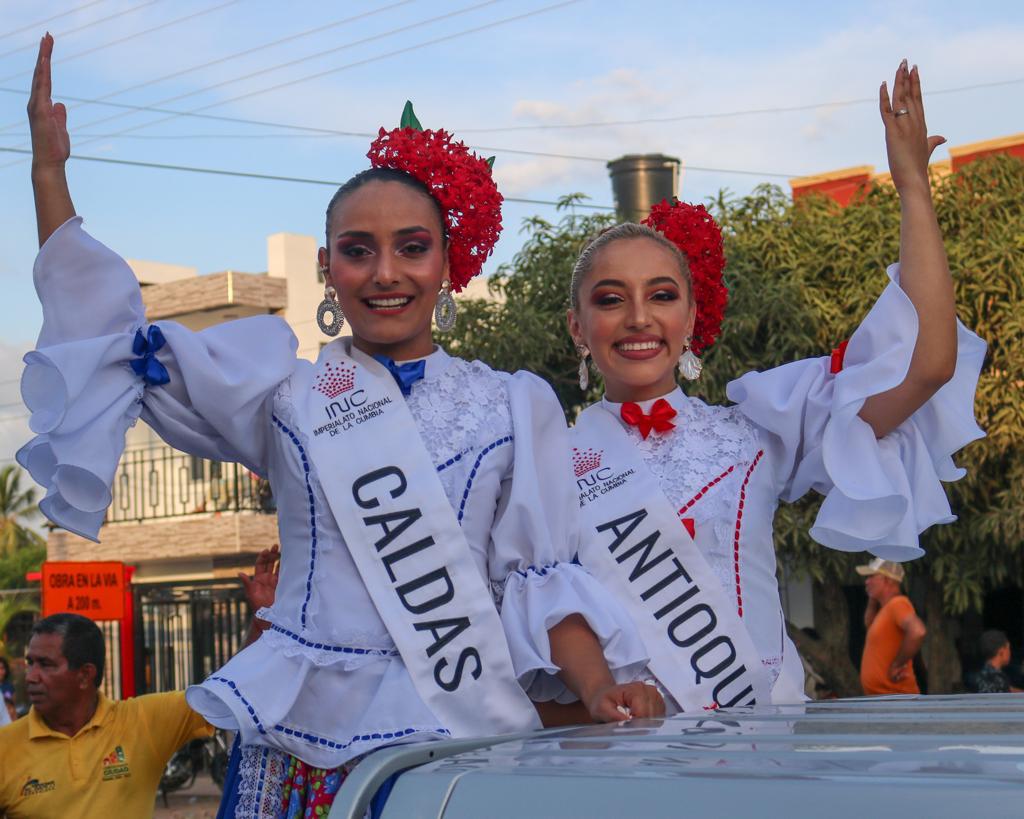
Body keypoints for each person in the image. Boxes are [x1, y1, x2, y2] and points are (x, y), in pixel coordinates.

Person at [21, 35, 658, 818]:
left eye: (412, 248)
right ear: (327, 267)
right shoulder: (281, 392)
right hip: (304, 738)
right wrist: (49, 178)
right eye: (359, 251)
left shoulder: (510, 407)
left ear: (448, 264)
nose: (386, 273)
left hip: (452, 734)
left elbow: (540, 582)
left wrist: (597, 688)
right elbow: (114, 347)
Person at [563, 59, 984, 712]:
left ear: (692, 317)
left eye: (663, 295)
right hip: (628, 761)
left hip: (760, 741)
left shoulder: (757, 429)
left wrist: (912, 190)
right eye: (612, 298)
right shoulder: (545, 465)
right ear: (578, 327)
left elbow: (926, 365)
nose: (640, 318)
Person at [0, 613, 212, 818]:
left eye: (45, 665)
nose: (30, 677)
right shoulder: (5, 746)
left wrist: (248, 627)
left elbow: (227, 694)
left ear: (85, 675)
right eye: (31, 663)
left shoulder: (143, 721)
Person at [858, 558, 927, 695]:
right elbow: (868, 624)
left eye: (871, 576)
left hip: (898, 699)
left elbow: (918, 631)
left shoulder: (898, 604)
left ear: (888, 580)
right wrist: (873, 598)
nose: (867, 581)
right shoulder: (885, 610)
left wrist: (897, 665)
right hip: (887, 699)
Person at [975, 629, 1020, 693]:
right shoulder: (995, 678)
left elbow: (1010, 690)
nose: (1010, 652)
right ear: (1001, 651)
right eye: (1008, 648)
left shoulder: (984, 674)